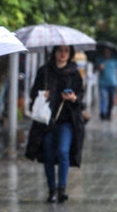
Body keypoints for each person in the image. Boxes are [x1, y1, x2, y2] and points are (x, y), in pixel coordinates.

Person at [25, 45, 85, 203]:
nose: (63, 54)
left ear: (70, 53)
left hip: (67, 120)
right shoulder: (44, 71)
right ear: (55, 52)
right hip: (46, 120)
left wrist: (73, 98)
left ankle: (62, 188)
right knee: (48, 153)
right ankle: (51, 189)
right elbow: (33, 93)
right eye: (60, 50)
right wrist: (42, 94)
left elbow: (80, 96)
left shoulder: (74, 72)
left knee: (63, 151)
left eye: (66, 51)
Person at [96, 47, 117, 120]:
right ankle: (103, 113)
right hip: (102, 83)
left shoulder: (115, 60)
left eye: (108, 51)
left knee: (111, 100)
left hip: (113, 83)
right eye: (105, 51)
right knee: (103, 98)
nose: (106, 53)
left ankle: (109, 113)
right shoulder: (100, 60)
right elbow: (94, 69)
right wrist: (99, 67)